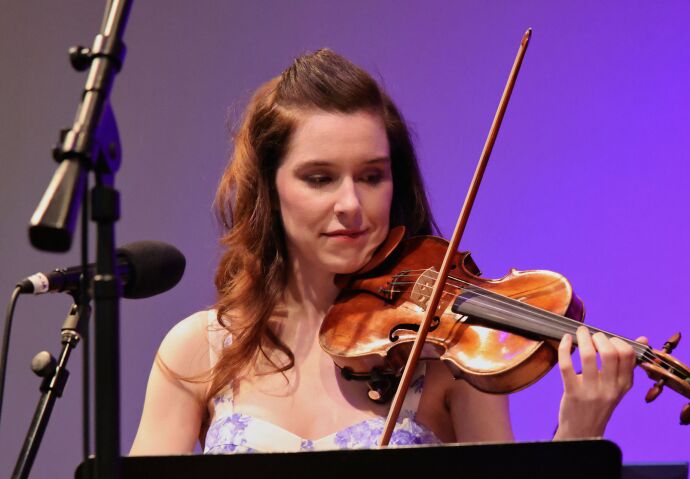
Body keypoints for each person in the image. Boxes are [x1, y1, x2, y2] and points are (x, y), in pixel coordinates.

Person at [129, 49, 641, 456]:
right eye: (319, 178)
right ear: (270, 188)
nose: (351, 204)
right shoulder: (200, 348)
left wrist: (580, 427)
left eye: (372, 177)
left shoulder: (447, 360)